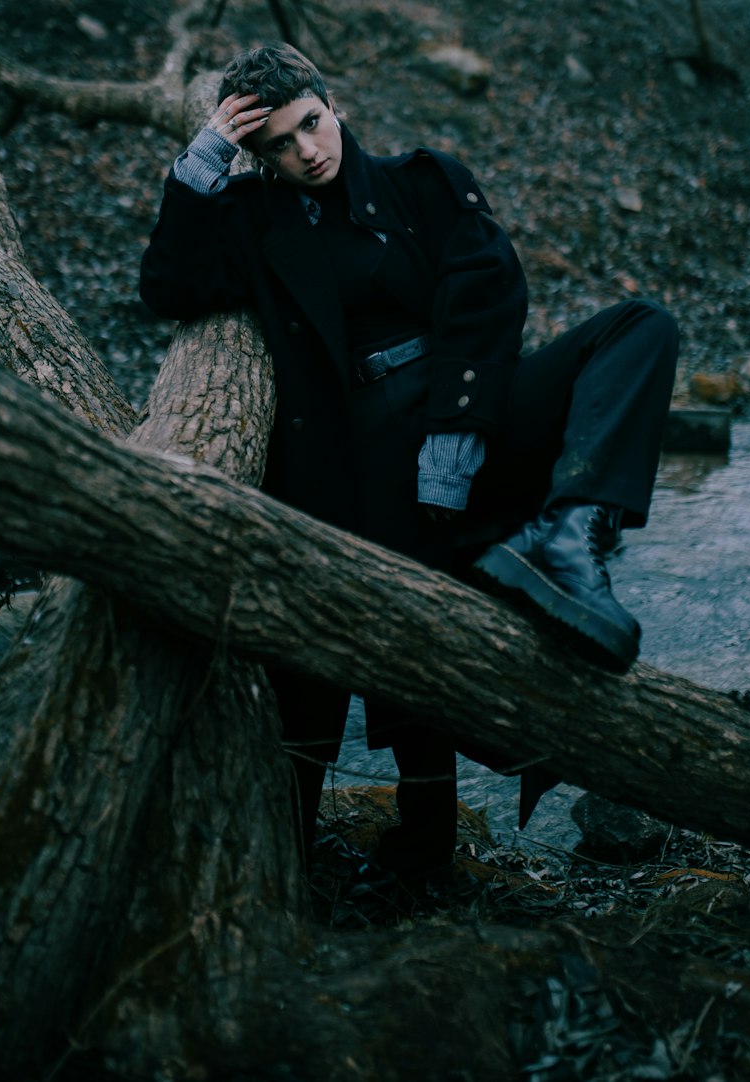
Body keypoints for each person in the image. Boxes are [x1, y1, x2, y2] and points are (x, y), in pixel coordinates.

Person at [140, 43, 678, 884]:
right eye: (279, 143)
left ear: (333, 102)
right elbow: (169, 288)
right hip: (350, 451)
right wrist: (206, 154)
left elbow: (491, 292)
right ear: (259, 152)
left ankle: (570, 534)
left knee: (638, 326)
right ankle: (365, 849)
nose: (306, 152)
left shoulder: (421, 181)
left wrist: (455, 434)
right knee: (363, 635)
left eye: (312, 125)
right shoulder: (253, 218)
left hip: (467, 411)